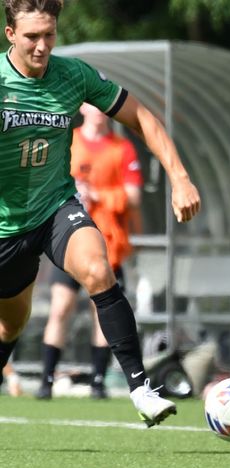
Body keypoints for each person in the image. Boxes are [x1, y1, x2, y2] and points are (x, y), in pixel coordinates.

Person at [0, 0, 200, 425]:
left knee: (97, 268)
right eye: (32, 36)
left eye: (49, 35)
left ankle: (141, 389)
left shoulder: (73, 76)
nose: (41, 46)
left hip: (55, 208)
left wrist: (179, 177)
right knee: (10, 325)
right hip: (4, 227)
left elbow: (141, 117)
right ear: (10, 34)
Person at [36, 103, 143, 400]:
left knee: (103, 311)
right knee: (60, 307)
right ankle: (46, 379)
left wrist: (99, 195)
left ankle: (98, 380)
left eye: (102, 107)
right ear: (82, 107)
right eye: (93, 106)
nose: (99, 111)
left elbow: (133, 196)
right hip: (69, 241)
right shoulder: (67, 141)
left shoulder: (122, 149)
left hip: (108, 243)